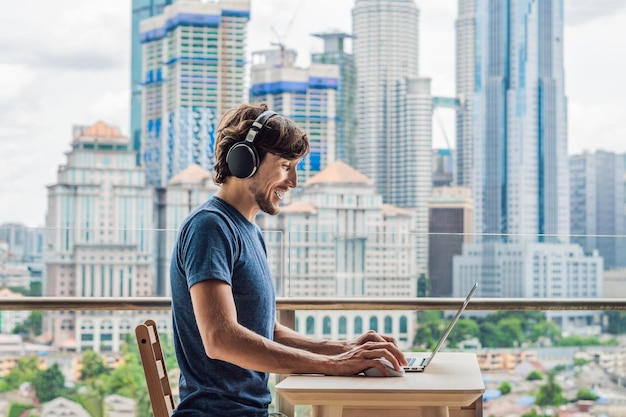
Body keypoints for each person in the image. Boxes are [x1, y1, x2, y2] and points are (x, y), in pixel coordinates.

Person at [170, 103, 407, 417]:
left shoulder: (248, 231)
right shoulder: (210, 228)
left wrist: (342, 348)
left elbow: (266, 328)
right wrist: (333, 365)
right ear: (245, 161)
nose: (293, 181)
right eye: (285, 165)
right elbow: (221, 339)